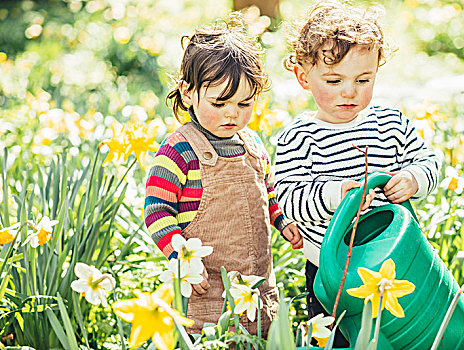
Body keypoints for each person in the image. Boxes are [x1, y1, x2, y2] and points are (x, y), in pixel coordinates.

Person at [275, 1, 441, 346]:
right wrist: (336, 195)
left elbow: (429, 160)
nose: (349, 91)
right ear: (304, 77)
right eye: (333, 80)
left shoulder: (390, 123)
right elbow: (289, 198)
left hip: (396, 257)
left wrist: (414, 178)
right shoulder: (299, 137)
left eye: (363, 79)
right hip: (332, 270)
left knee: (407, 332)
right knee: (337, 337)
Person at [144, 15, 302, 337]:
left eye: (245, 103)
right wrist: (180, 256)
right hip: (206, 294)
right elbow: (156, 211)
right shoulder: (179, 150)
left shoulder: (252, 143)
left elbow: (265, 192)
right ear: (188, 93)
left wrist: (282, 220)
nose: (233, 113)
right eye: (220, 102)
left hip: (258, 290)